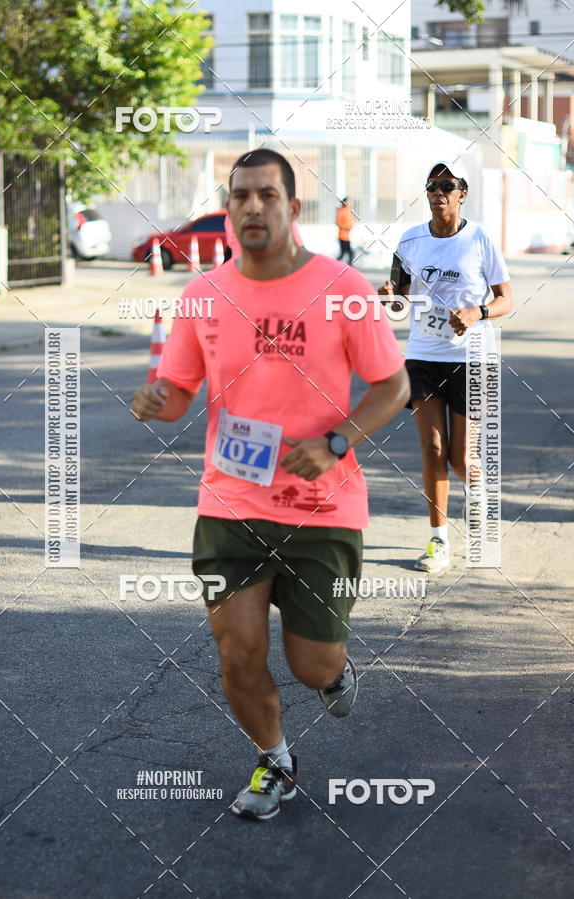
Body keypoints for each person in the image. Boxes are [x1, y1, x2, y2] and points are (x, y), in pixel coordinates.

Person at [131, 148, 409, 821]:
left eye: (267, 195)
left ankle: (334, 670)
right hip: (231, 500)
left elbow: (393, 385)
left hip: (324, 505)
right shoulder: (202, 295)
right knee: (237, 649)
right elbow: (180, 394)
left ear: (292, 206)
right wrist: (157, 400)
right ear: (229, 209)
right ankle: (275, 759)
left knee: (312, 665)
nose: (253, 207)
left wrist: (337, 441)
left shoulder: (342, 287)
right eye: (241, 196)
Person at [379, 160, 513, 573]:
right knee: (432, 448)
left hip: (471, 358)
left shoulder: (480, 239)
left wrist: (479, 313)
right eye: (432, 185)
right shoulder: (409, 241)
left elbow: (507, 299)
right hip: (423, 355)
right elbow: (399, 301)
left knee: (460, 460)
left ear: (462, 194)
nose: (439, 192)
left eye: (447, 186)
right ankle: (438, 541)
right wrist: (387, 298)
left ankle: (483, 512)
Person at [336, 197, 355, 265]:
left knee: (344, 253)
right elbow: (337, 222)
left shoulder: (347, 210)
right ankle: (350, 266)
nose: (350, 203)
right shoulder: (341, 211)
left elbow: (350, 220)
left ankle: (336, 265)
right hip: (343, 236)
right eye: (348, 201)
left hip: (346, 235)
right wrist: (346, 227)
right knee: (349, 253)